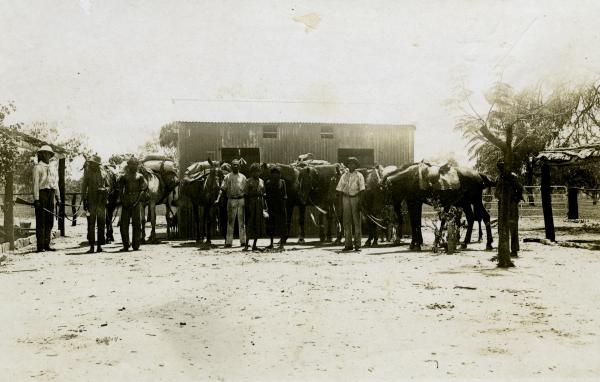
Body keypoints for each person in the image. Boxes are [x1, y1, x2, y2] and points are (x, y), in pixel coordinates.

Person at [32, 145, 61, 252]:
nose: (46, 156)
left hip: (51, 194)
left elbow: (55, 184)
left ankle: (47, 244)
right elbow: (35, 184)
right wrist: (37, 199)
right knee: (41, 221)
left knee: (50, 220)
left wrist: (58, 198)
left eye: (48, 154)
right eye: (44, 153)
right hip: (42, 194)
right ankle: (40, 246)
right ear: (41, 154)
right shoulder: (37, 168)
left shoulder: (53, 168)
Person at [495, 159, 524, 257]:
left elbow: (519, 188)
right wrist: (499, 196)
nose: (501, 168)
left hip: (511, 204)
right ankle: (503, 249)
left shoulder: (512, 176)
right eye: (499, 167)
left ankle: (514, 250)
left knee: (513, 227)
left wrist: (515, 199)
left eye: (502, 166)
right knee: (501, 227)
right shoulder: (499, 178)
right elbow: (496, 192)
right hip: (502, 204)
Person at [336, 157, 365, 251]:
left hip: (355, 198)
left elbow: (362, 190)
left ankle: (358, 244)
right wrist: (340, 203)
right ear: (347, 165)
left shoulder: (359, 175)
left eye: (353, 164)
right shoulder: (344, 175)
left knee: (357, 222)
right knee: (346, 222)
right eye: (349, 164)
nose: (351, 165)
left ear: (356, 165)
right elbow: (339, 190)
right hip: (346, 199)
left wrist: (360, 202)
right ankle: (348, 244)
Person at [118, 157, 148, 252]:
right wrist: (123, 201)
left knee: (137, 224)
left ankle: (136, 245)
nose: (133, 166)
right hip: (126, 202)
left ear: (137, 166)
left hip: (136, 202)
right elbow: (120, 191)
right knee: (123, 225)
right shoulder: (124, 177)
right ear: (128, 165)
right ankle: (126, 245)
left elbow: (142, 191)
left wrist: (136, 202)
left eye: (135, 165)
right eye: (131, 164)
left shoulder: (140, 177)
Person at [81, 155, 108, 253]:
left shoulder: (103, 173)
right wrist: (84, 201)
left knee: (101, 224)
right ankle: (92, 246)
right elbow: (84, 188)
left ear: (97, 164)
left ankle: (100, 246)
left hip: (101, 203)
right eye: (90, 163)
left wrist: (104, 190)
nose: (91, 165)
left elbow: (108, 186)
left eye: (93, 163)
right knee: (91, 225)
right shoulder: (87, 173)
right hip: (91, 202)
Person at [220, 159, 247, 248]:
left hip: (241, 199)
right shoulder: (227, 177)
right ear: (231, 166)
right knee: (230, 221)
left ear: (239, 166)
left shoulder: (243, 177)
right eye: (234, 165)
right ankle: (228, 242)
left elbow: (246, 190)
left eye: (237, 165)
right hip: (231, 200)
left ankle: (243, 241)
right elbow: (223, 188)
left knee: (242, 222)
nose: (235, 166)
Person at [243, 163, 267, 251]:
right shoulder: (248, 181)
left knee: (258, 224)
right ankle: (246, 244)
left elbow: (264, 193)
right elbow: (245, 194)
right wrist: (247, 207)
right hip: (251, 204)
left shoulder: (262, 181)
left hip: (259, 204)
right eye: (254, 172)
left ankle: (254, 245)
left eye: (258, 171)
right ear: (251, 172)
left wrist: (264, 207)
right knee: (250, 224)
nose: (256, 173)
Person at [265, 167, 288, 249]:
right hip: (271, 207)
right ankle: (271, 243)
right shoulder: (268, 183)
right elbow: (266, 196)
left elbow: (285, 195)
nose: (275, 175)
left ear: (279, 174)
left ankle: (282, 244)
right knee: (271, 225)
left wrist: (282, 205)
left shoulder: (282, 182)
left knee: (282, 225)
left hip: (281, 207)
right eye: (273, 173)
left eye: (277, 173)